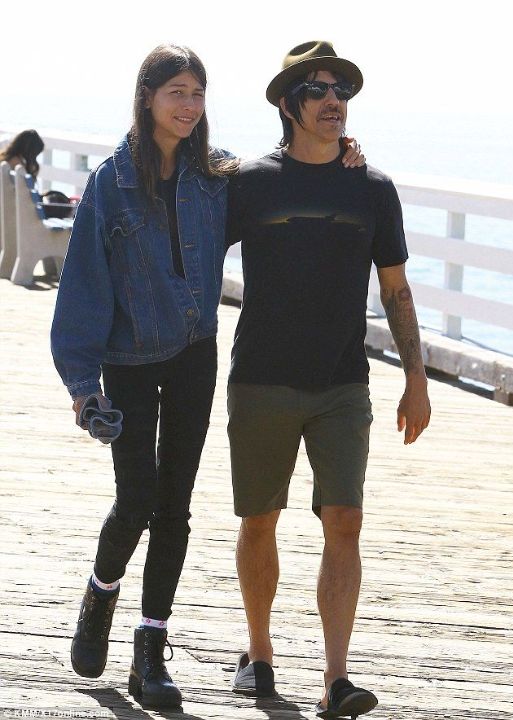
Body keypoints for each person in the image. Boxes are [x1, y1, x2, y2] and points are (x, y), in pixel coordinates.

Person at [50, 41, 366, 710]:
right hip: (128, 358)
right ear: (148, 99)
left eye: (198, 93)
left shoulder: (219, 180)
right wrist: (84, 391)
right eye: (177, 93)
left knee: (175, 508)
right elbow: (81, 288)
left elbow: (289, 176)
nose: (190, 106)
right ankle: (101, 593)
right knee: (135, 500)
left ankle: (150, 648)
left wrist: (343, 159)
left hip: (193, 354)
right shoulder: (111, 183)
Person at [226, 40, 431, 719]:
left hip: (345, 384)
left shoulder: (371, 188)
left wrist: (417, 379)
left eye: (340, 87)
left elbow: (397, 290)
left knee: (345, 520)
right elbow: (192, 255)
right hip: (260, 381)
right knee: (261, 523)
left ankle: (336, 678)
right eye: (315, 89)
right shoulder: (251, 183)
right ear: (286, 104)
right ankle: (258, 653)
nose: (333, 98)